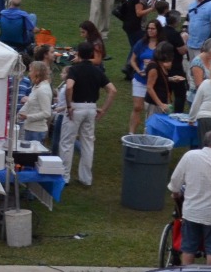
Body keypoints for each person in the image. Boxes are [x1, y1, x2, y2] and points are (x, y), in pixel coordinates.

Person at [167, 130, 211, 266]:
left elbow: (175, 181)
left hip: (191, 212)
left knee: (188, 248)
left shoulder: (189, 156)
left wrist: (176, 193)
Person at [58, 41, 115, 186]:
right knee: (88, 143)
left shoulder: (74, 70)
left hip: (76, 107)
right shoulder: (97, 71)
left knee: (67, 142)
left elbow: (69, 87)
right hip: (91, 108)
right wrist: (103, 109)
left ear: (78, 54)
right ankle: (86, 178)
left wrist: (69, 105)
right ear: (91, 54)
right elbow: (112, 90)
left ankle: (64, 176)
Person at [127, 20, 164, 134]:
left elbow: (166, 62)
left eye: (153, 28)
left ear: (158, 30)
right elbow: (132, 60)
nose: (150, 30)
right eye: (149, 28)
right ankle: (131, 133)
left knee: (151, 109)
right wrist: (138, 71)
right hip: (140, 79)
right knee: (137, 107)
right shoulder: (141, 43)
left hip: (154, 81)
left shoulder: (162, 45)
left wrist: (154, 64)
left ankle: (148, 133)